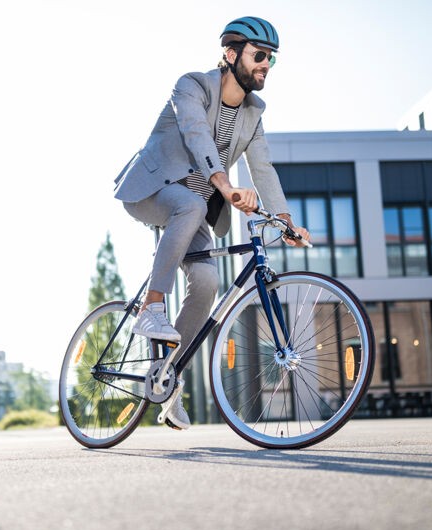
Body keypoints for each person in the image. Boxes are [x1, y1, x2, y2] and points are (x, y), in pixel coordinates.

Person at [113, 17, 311, 430]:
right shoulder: (191, 86)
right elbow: (197, 134)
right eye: (260, 56)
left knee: (207, 282)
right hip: (153, 190)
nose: (266, 65)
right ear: (231, 53)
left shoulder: (253, 113)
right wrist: (225, 186)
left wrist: (287, 221)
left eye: (271, 59)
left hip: (197, 207)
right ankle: (151, 308)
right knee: (188, 203)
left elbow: (264, 168)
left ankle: (168, 376)